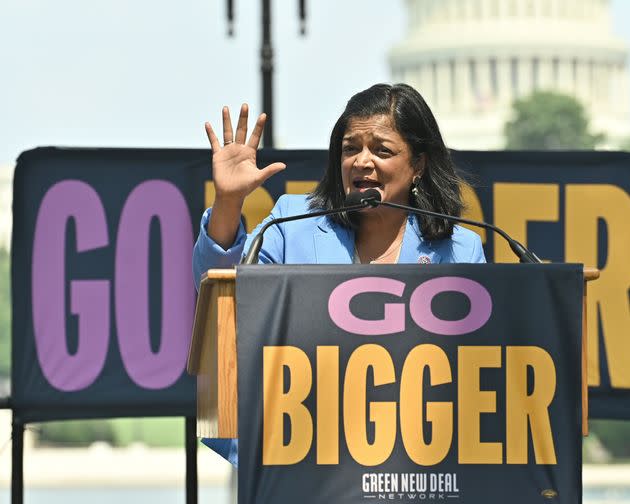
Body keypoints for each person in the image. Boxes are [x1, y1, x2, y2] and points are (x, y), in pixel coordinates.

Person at [192, 83, 486, 465]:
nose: (362, 161)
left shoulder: (460, 250)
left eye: (381, 150)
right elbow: (221, 294)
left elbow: (477, 368)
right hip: (300, 452)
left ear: (418, 164)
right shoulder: (291, 223)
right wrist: (229, 201)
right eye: (351, 149)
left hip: (415, 462)